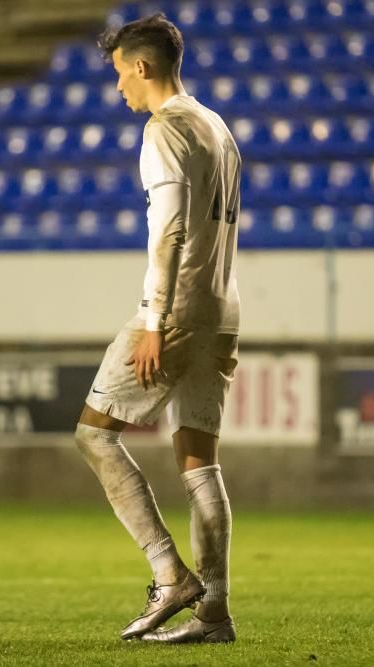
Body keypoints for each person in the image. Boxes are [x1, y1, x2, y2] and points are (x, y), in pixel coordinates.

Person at [74, 13, 241, 644]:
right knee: (199, 459)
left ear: (141, 66)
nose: (118, 85)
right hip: (223, 309)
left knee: (93, 435)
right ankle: (215, 612)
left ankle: (169, 573)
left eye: (119, 72)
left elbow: (167, 230)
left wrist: (152, 321)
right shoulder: (217, 127)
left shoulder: (164, 129)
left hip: (176, 313)